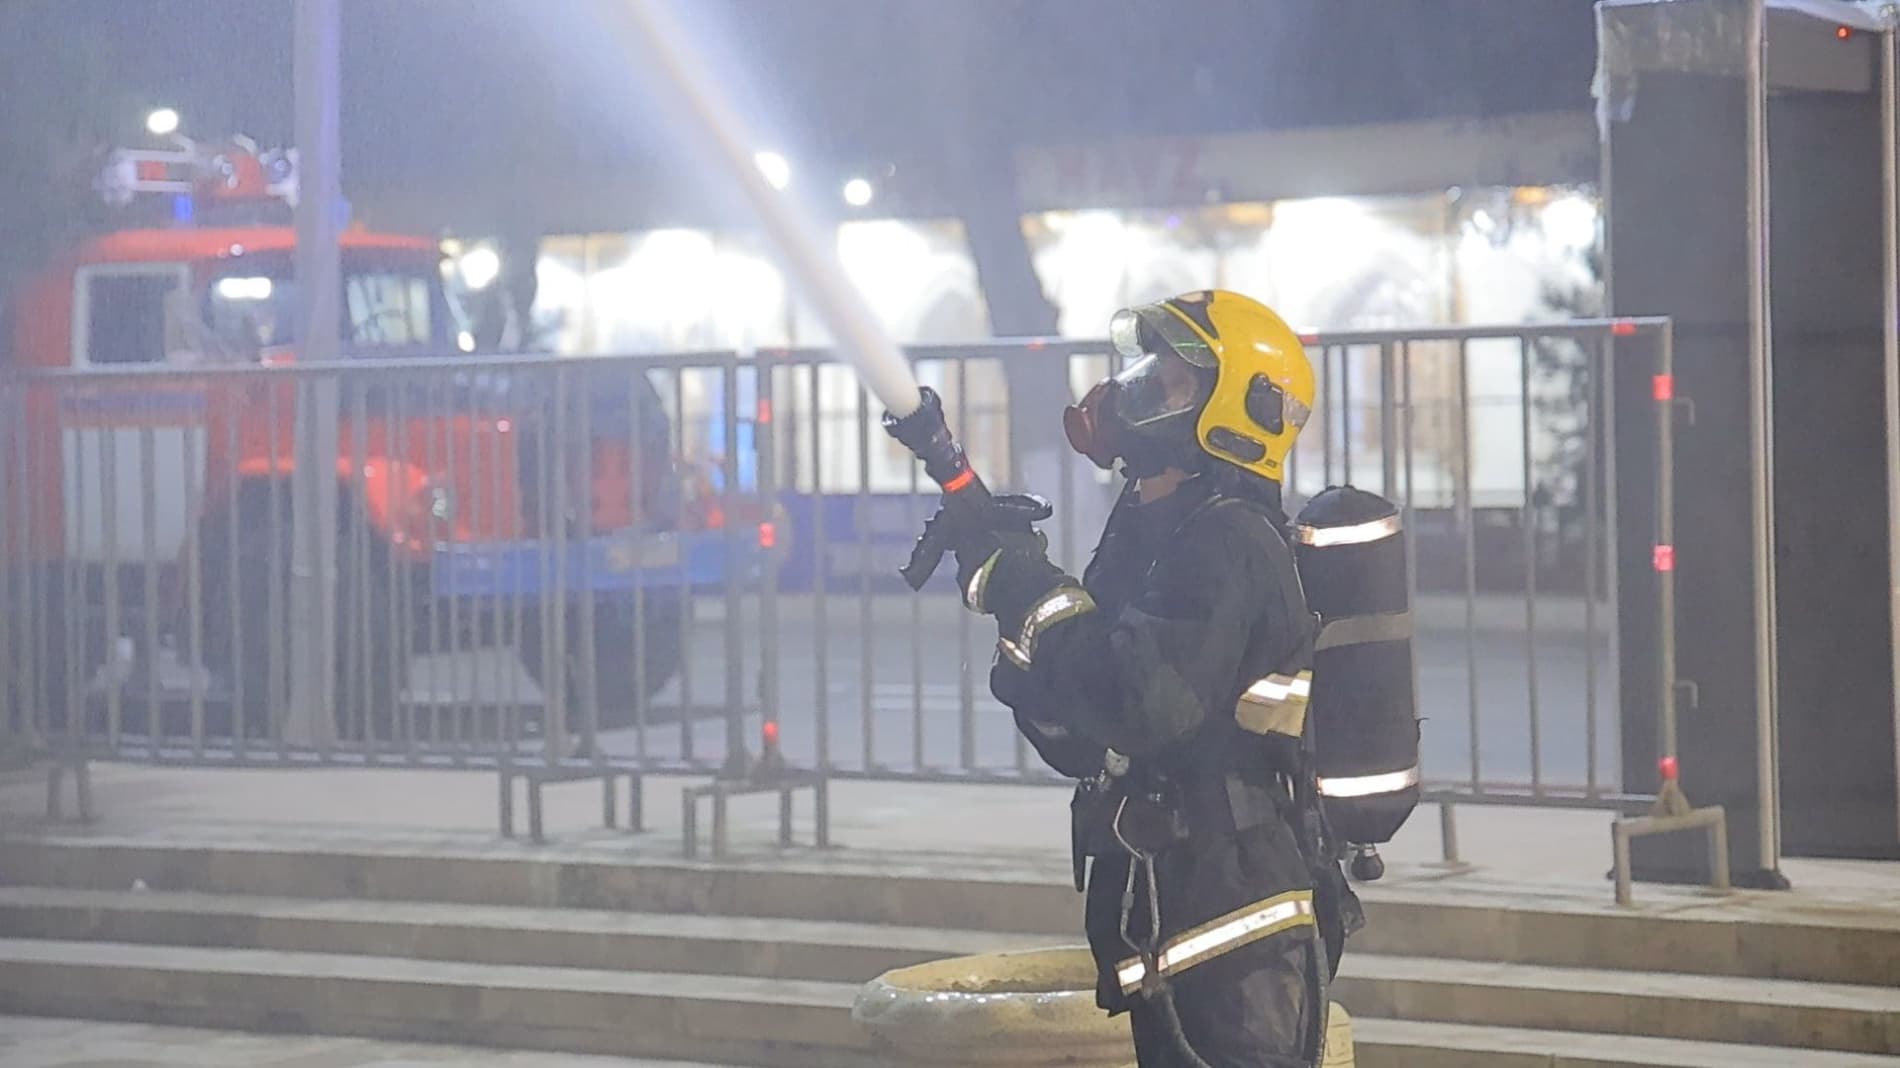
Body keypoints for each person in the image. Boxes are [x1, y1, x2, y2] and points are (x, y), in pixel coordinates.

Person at [953, 290, 1361, 1067]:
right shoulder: (1153, 535)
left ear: (1242, 408)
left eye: (1168, 381)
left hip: (1239, 926)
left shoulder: (1228, 542)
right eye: (1144, 370)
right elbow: (1082, 733)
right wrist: (1016, 608)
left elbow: (1138, 703)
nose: (1134, 392)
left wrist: (1028, 587)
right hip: (1174, 908)